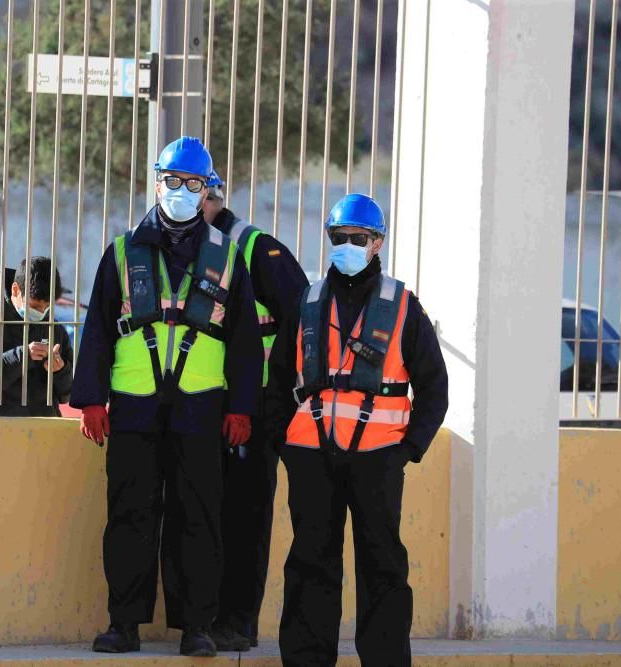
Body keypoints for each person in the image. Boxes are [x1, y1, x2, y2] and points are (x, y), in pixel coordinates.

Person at [71, 136, 262, 658]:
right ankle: (123, 624)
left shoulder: (228, 256)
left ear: (207, 191)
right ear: (157, 182)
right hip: (133, 407)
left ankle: (196, 626)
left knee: (197, 516)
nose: (181, 191)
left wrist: (243, 406)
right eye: (172, 181)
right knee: (130, 514)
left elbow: (244, 339)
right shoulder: (121, 250)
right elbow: (98, 331)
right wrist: (90, 399)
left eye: (193, 184)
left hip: (202, 408)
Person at [265, 194, 449, 667]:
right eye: (339, 238)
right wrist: (284, 443)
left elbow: (434, 386)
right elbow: (278, 378)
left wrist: (407, 449)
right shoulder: (306, 301)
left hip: (379, 457)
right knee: (310, 562)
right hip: (310, 455)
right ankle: (307, 659)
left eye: (358, 239)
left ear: (377, 243)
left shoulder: (403, 305)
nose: (347, 246)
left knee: (382, 565)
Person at [200, 169, 308, 652]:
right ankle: (207, 616)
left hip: (258, 404)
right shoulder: (193, 246)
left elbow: (300, 319)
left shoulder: (255, 247)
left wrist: (281, 396)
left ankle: (240, 620)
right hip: (207, 400)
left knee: (245, 516)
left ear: (214, 197)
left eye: (193, 191)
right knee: (206, 512)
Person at [0, 257, 73, 417]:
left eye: (47, 307)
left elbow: (66, 394)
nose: (41, 312)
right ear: (15, 290)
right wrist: (21, 357)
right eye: (35, 306)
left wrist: (60, 371)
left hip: (43, 429)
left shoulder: (54, 328)